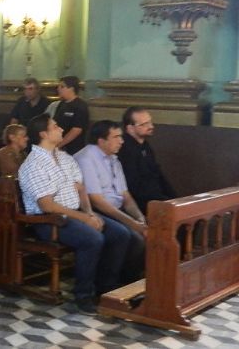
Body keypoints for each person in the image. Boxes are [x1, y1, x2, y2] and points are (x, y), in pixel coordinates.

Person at [18, 114, 129, 314]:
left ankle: (106, 288)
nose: (61, 129)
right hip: (49, 221)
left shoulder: (64, 157)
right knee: (92, 239)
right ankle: (83, 295)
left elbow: (81, 188)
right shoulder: (33, 164)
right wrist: (84, 218)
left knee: (120, 234)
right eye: (55, 126)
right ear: (43, 134)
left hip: (75, 213)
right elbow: (47, 205)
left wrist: (89, 213)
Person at [74, 120, 146, 283]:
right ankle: (108, 286)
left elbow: (125, 195)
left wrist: (140, 218)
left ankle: (128, 284)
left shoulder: (113, 159)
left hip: (114, 209)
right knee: (128, 236)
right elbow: (97, 201)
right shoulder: (86, 158)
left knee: (146, 231)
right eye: (116, 137)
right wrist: (131, 223)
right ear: (101, 141)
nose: (122, 141)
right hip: (93, 210)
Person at [117, 107, 177, 214]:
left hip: (157, 197)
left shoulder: (145, 145)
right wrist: (163, 201)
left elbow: (158, 174)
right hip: (140, 203)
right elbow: (133, 186)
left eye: (150, 122)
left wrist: (175, 198)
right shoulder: (125, 149)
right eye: (144, 124)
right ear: (130, 128)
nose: (151, 126)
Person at [52, 76, 89, 155]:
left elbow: (76, 130)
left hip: (73, 149)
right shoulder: (62, 104)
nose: (58, 89)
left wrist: (59, 145)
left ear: (71, 89)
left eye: (62, 87)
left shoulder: (80, 105)